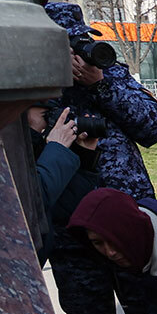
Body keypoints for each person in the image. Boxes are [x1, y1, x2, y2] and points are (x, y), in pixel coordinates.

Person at [43, 2, 157, 314]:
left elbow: (154, 126)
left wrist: (100, 85)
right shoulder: (35, 85)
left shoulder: (108, 73)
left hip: (127, 218)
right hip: (71, 230)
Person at [27, 103, 100, 263]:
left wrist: (85, 156)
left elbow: (62, 207)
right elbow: (31, 200)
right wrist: (56, 148)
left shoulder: (34, 147)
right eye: (45, 112)